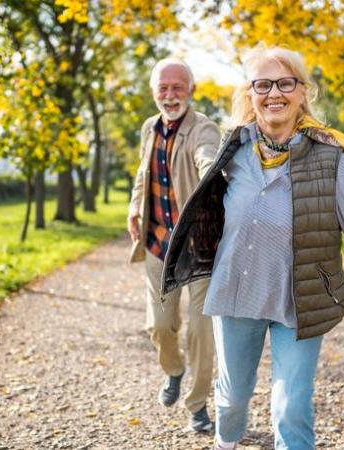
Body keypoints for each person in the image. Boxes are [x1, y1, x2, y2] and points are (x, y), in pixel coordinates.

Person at [161, 46, 344, 450]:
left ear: (303, 92)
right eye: (263, 84)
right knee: (233, 397)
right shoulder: (233, 151)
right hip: (237, 292)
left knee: (292, 405)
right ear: (250, 94)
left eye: (285, 83)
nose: (274, 93)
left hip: (300, 300)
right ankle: (227, 440)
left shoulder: (333, 161)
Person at [128, 57, 221, 432]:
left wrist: (211, 173)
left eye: (177, 87)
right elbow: (142, 174)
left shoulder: (204, 128)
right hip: (157, 244)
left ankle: (197, 405)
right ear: (154, 92)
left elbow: (206, 156)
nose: (170, 95)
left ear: (191, 90)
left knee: (201, 332)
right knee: (160, 326)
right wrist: (134, 207)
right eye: (163, 88)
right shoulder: (149, 128)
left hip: (198, 249)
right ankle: (174, 370)